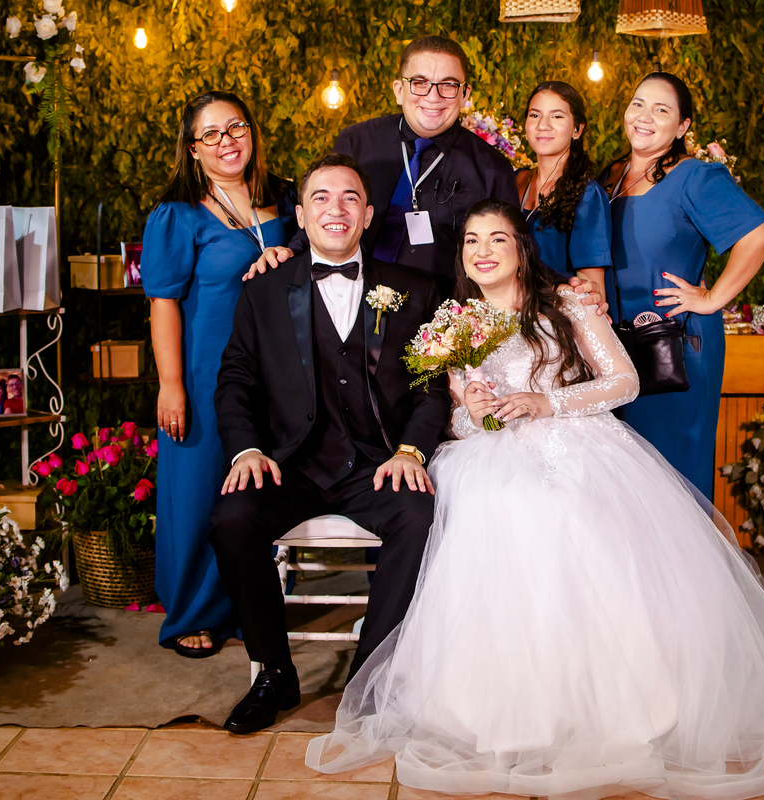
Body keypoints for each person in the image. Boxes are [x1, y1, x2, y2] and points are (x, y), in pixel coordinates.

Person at [305, 200, 764, 798]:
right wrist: (472, 403)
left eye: (497, 238)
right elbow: (450, 406)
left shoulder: (566, 304)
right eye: (471, 241)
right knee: (497, 508)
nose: (483, 250)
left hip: (574, 438)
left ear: (522, 248)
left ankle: (615, 703)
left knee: (570, 517)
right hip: (484, 452)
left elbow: (624, 380)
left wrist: (547, 403)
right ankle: (497, 707)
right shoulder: (452, 318)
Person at [209, 153, 451, 735]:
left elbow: (433, 386)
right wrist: (247, 450)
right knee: (232, 518)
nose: (335, 209)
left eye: (349, 198)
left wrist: (411, 451)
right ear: (300, 213)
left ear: (368, 215)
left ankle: (371, 675)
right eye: (320, 197)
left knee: (419, 514)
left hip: (377, 464)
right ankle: (273, 670)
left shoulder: (415, 290)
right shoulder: (263, 290)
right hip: (291, 465)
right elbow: (236, 378)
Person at [142, 90, 298, 659]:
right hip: (205, 368)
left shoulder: (283, 197)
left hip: (274, 368)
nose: (227, 141)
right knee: (197, 489)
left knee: (255, 487)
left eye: (236, 128)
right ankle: (190, 611)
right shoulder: (178, 215)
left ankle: (247, 599)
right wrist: (171, 384)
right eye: (212, 134)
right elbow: (162, 304)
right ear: (193, 149)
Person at [602, 72, 764, 498]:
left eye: (662, 110)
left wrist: (713, 297)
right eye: (638, 103)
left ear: (682, 127)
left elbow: (761, 233)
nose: (645, 116)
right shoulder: (610, 176)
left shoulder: (694, 176)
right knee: (621, 480)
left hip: (673, 344)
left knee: (670, 477)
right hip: (613, 347)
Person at [248, 35, 519, 297]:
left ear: (464, 94)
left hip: (445, 317)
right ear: (399, 91)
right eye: (420, 83)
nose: (433, 97)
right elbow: (327, 211)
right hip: (350, 301)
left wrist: (556, 285)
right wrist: (290, 251)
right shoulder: (357, 142)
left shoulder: (491, 168)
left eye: (448, 85)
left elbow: (514, 249)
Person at [516, 81, 611, 304]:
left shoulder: (587, 194)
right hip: (513, 311)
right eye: (535, 115)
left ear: (577, 129)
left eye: (557, 117)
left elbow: (591, 292)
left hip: (557, 315)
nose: (543, 125)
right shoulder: (516, 180)